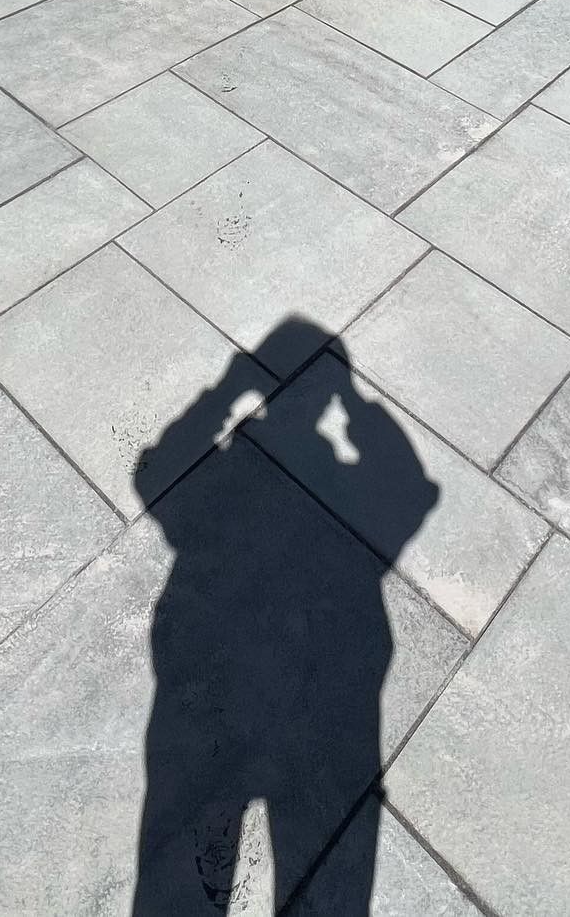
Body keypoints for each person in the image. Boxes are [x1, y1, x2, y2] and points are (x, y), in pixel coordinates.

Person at [130, 318, 439, 914]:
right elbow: (412, 489)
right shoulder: (347, 489)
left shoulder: (220, 477)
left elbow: (154, 474)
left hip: (208, 676)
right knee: (325, 876)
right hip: (329, 688)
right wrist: (356, 406)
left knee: (181, 870)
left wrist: (223, 392)